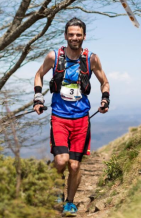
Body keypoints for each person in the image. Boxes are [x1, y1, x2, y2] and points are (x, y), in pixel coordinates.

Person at [33, 17, 110, 217]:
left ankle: (69, 203)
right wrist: (38, 98)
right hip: (59, 117)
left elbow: (105, 81)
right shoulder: (54, 56)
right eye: (71, 34)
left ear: (84, 36)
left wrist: (105, 100)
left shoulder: (91, 59)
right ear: (66, 36)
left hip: (82, 118)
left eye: (78, 34)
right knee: (60, 161)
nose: (74, 38)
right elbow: (38, 75)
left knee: (75, 165)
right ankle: (56, 186)